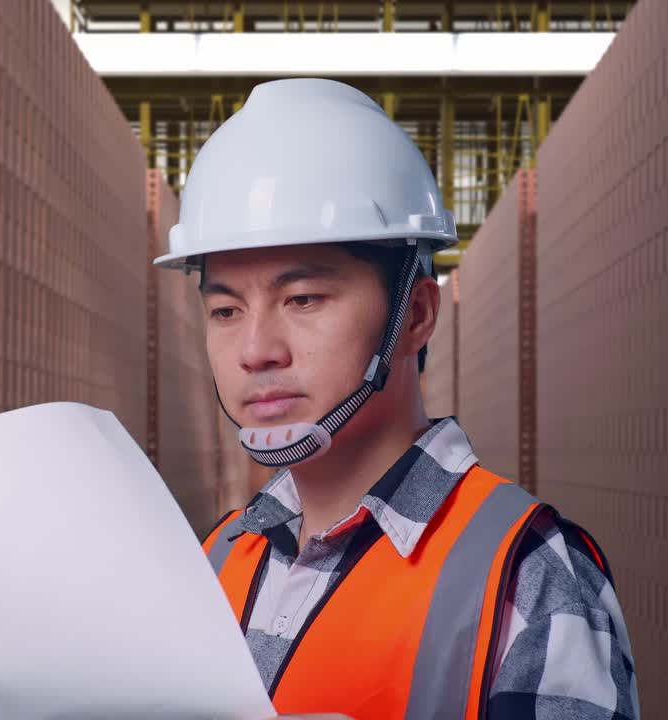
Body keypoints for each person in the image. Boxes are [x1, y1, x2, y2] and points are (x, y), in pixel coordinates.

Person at [154, 77, 639, 719]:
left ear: (415, 314)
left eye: (303, 300)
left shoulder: (526, 575)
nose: (256, 350)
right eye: (225, 309)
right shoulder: (218, 558)